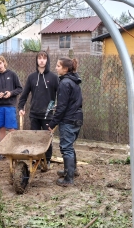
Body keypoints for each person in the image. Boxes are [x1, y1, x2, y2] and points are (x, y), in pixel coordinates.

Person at [18, 51, 59, 169]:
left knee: (46, 139)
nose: (41, 60)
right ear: (36, 60)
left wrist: (59, 107)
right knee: (35, 139)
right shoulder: (32, 77)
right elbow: (24, 94)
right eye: (39, 58)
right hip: (34, 114)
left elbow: (61, 94)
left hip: (48, 115)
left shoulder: (53, 77)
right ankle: (36, 160)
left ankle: (47, 159)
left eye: (44, 58)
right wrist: (21, 107)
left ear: (47, 60)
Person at [48, 57, 83, 187]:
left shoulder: (64, 83)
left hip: (69, 119)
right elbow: (72, 102)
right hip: (77, 117)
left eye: (58, 66)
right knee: (70, 145)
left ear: (65, 69)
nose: (56, 68)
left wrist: (52, 123)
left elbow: (62, 107)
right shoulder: (74, 81)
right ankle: (72, 171)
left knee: (66, 147)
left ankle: (68, 179)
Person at [0, 55, 23, 161]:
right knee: (1, 129)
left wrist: (11, 93)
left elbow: (20, 89)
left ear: (4, 62)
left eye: (0, 63)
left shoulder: (12, 74)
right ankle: (2, 151)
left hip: (10, 106)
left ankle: (13, 151)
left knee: (12, 129)